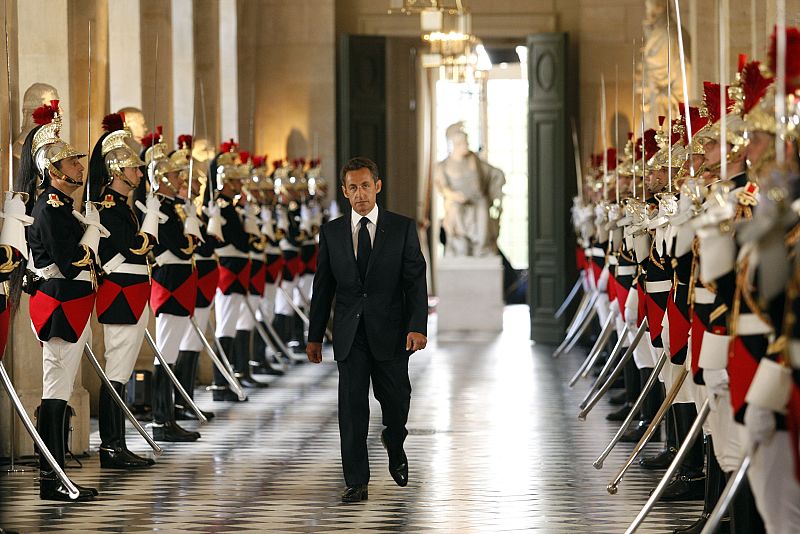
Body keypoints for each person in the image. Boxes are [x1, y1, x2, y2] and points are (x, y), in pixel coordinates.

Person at [307, 156, 428, 503]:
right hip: (349, 335)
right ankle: (356, 481)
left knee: (396, 401)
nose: (359, 194)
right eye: (352, 188)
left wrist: (417, 326)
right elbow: (323, 287)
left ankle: (395, 438)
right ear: (345, 192)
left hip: (391, 332)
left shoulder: (402, 228)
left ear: (377, 186)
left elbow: (415, 282)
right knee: (352, 409)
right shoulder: (331, 232)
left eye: (365, 186)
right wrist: (315, 336)